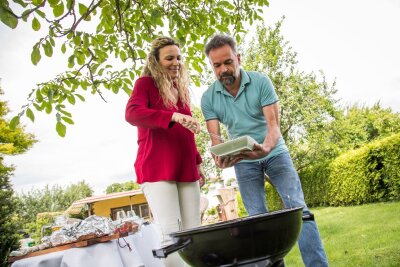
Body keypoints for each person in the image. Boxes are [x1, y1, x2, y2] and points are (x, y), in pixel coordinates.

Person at [201, 34, 329, 267]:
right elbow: (215, 140)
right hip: (244, 160)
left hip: (275, 152)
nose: (223, 70)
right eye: (216, 65)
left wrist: (265, 149)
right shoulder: (209, 98)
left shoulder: (261, 82)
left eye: (228, 62)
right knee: (258, 221)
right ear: (212, 66)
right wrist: (220, 158)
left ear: (238, 58)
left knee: (299, 210)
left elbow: (273, 127)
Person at [125, 37, 206, 267]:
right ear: (156, 61)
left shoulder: (179, 91)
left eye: (179, 57)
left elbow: (186, 132)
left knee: (193, 233)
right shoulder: (145, 84)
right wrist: (172, 116)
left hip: (185, 167)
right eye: (169, 57)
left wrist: (198, 163)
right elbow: (132, 113)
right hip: (157, 167)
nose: (176, 62)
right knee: (172, 236)